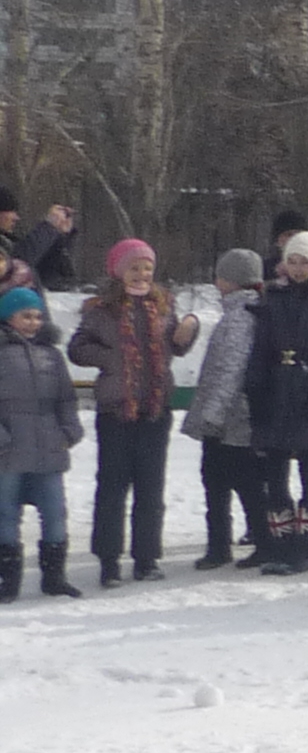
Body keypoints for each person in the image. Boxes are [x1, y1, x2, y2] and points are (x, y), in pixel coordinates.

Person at [69, 237, 200, 586]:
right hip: (116, 411)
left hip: (155, 410)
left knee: (150, 489)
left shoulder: (163, 305)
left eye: (147, 268)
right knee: (112, 488)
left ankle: (146, 557)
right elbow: (77, 349)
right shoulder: (101, 309)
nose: (142, 274)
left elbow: (176, 347)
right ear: (118, 271)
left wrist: (188, 333)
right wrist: (111, 358)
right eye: (134, 267)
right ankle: (109, 560)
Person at [182, 251, 268, 572]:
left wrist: (212, 414)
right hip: (237, 417)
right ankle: (256, 540)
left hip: (229, 420)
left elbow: (230, 370)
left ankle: (223, 545)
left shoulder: (238, 318)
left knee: (221, 483)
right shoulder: (250, 312)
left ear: (227, 281)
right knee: (246, 483)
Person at [0, 283, 79, 599]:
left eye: (37, 316)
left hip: (49, 445)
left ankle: (54, 576)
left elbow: (67, 399)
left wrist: (69, 431)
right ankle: (8, 578)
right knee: (5, 512)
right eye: (25, 316)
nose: (33, 322)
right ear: (8, 318)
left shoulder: (51, 355)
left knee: (55, 510)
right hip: (9, 450)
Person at [0, 188, 79, 287]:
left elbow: (46, 276)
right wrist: (48, 227)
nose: (16, 218)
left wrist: (60, 237)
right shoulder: (8, 248)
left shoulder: (10, 242)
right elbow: (16, 266)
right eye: (11, 211)